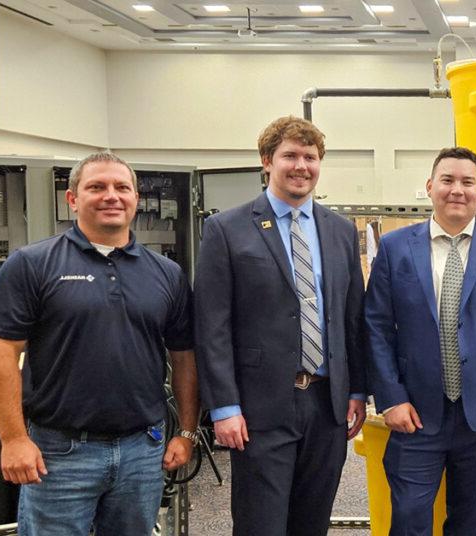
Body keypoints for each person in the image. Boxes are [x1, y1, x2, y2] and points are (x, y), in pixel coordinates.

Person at [0, 152, 198, 535]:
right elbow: (2, 353)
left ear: (135, 198)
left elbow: (185, 355)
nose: (111, 196)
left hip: (142, 450)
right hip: (58, 453)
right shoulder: (31, 264)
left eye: (122, 187)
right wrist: (14, 438)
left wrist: (186, 432)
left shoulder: (167, 274)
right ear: (72, 199)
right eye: (96, 187)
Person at [194, 116, 367, 535]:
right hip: (259, 405)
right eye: (290, 155)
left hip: (327, 404)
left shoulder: (340, 230)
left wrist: (357, 388)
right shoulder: (226, 228)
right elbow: (211, 325)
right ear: (267, 162)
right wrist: (224, 406)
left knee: (312, 521)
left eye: (310, 156)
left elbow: (352, 317)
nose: (301, 166)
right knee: (261, 524)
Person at [365, 147, 476, 536]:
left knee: (471, 523)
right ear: (430, 187)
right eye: (447, 180)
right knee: (409, 519)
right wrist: (391, 397)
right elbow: (376, 326)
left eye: (466, 182)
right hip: (415, 414)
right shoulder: (396, 248)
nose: (456, 190)